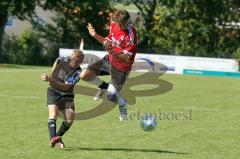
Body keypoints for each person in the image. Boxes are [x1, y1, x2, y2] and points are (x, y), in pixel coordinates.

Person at [80, 10, 138, 121]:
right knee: (84, 75)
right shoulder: (114, 25)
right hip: (109, 60)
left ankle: (122, 103)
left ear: (127, 21)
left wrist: (110, 51)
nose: (119, 26)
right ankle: (103, 86)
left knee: (111, 96)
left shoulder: (132, 35)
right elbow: (107, 42)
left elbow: (125, 57)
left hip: (121, 68)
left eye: (121, 24)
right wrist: (95, 35)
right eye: (118, 23)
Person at [41, 49, 84, 148]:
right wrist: (50, 78)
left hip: (67, 94)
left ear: (81, 62)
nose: (74, 62)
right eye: (73, 59)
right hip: (53, 91)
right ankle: (53, 138)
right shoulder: (62, 59)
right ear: (71, 56)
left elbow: (66, 86)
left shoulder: (78, 72)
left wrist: (50, 79)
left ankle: (57, 138)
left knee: (70, 120)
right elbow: (56, 63)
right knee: (53, 114)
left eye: (77, 61)